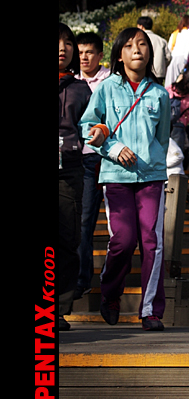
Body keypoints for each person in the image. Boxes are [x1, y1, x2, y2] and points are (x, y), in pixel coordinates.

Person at [78, 27, 171, 331]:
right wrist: (114, 149)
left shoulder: (160, 94)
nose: (137, 50)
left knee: (151, 242)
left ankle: (151, 311)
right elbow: (88, 127)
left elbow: (163, 138)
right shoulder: (106, 88)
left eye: (142, 44)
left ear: (150, 53)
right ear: (119, 55)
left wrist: (155, 164)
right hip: (116, 176)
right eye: (129, 45)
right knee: (123, 240)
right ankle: (110, 293)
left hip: (151, 179)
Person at [59, 23, 92, 330]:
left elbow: (94, 124)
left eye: (68, 43)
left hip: (69, 170)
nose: (63, 48)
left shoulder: (81, 89)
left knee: (68, 239)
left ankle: (58, 309)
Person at [74, 31, 110, 301]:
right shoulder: (69, 81)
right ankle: (79, 279)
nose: (84, 57)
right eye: (80, 52)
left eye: (89, 52)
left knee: (114, 225)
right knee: (81, 221)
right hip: (79, 159)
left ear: (100, 55)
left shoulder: (111, 81)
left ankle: (109, 283)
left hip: (107, 158)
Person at [166, 67, 189, 160]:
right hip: (179, 126)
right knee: (176, 155)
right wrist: (184, 122)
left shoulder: (171, 88)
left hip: (165, 123)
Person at [137, 16, 172, 84]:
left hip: (143, 72)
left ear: (141, 26)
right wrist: (162, 65)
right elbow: (168, 57)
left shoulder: (139, 40)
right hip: (159, 73)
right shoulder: (161, 40)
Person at [165, 14, 189, 87]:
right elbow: (188, 47)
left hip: (172, 57)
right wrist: (186, 61)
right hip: (182, 58)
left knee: (170, 80)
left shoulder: (175, 33)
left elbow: (169, 47)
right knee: (180, 80)